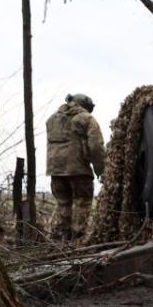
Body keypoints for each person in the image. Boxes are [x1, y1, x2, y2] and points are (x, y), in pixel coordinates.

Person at [46, 93, 106, 240]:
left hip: (56, 171)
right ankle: (78, 241)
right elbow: (96, 147)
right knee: (82, 204)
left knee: (63, 204)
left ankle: (61, 242)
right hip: (79, 171)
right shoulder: (87, 119)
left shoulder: (52, 119)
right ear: (85, 106)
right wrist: (102, 170)